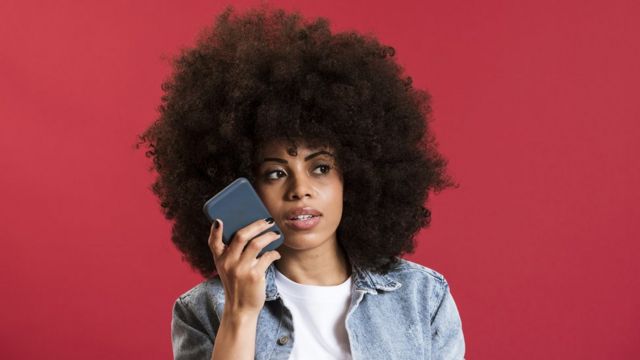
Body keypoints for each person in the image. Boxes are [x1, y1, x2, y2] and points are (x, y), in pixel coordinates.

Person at [137, 5, 465, 360]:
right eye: (275, 173)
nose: (299, 189)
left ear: (353, 177)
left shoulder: (421, 297)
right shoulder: (203, 310)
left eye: (320, 168)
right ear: (245, 185)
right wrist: (240, 312)